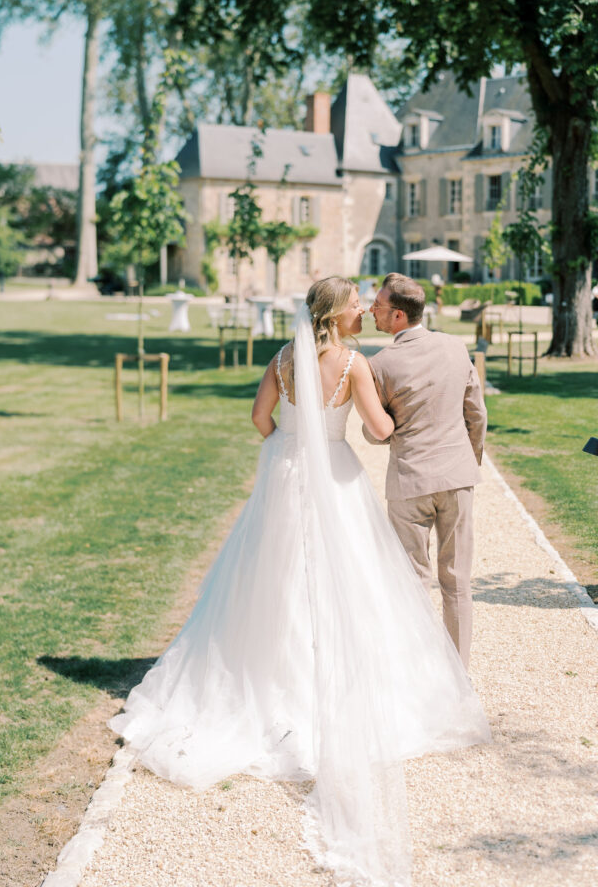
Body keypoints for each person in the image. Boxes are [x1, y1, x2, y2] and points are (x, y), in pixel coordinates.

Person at [108, 276, 490, 887]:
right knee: (349, 577)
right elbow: (383, 430)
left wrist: (289, 441)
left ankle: (266, 677)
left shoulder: (282, 359)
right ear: (337, 317)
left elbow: (260, 419)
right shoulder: (356, 365)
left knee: (272, 572)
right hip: (334, 475)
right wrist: (385, 425)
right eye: (357, 307)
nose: (365, 311)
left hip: (284, 471)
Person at [366, 273, 487, 669]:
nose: (372, 311)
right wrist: (468, 464)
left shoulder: (380, 364)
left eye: (379, 307)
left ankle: (420, 676)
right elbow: (477, 415)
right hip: (457, 477)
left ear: (398, 316)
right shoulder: (456, 347)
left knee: (413, 584)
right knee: (457, 583)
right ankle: (458, 675)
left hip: (409, 482)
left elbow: (376, 433)